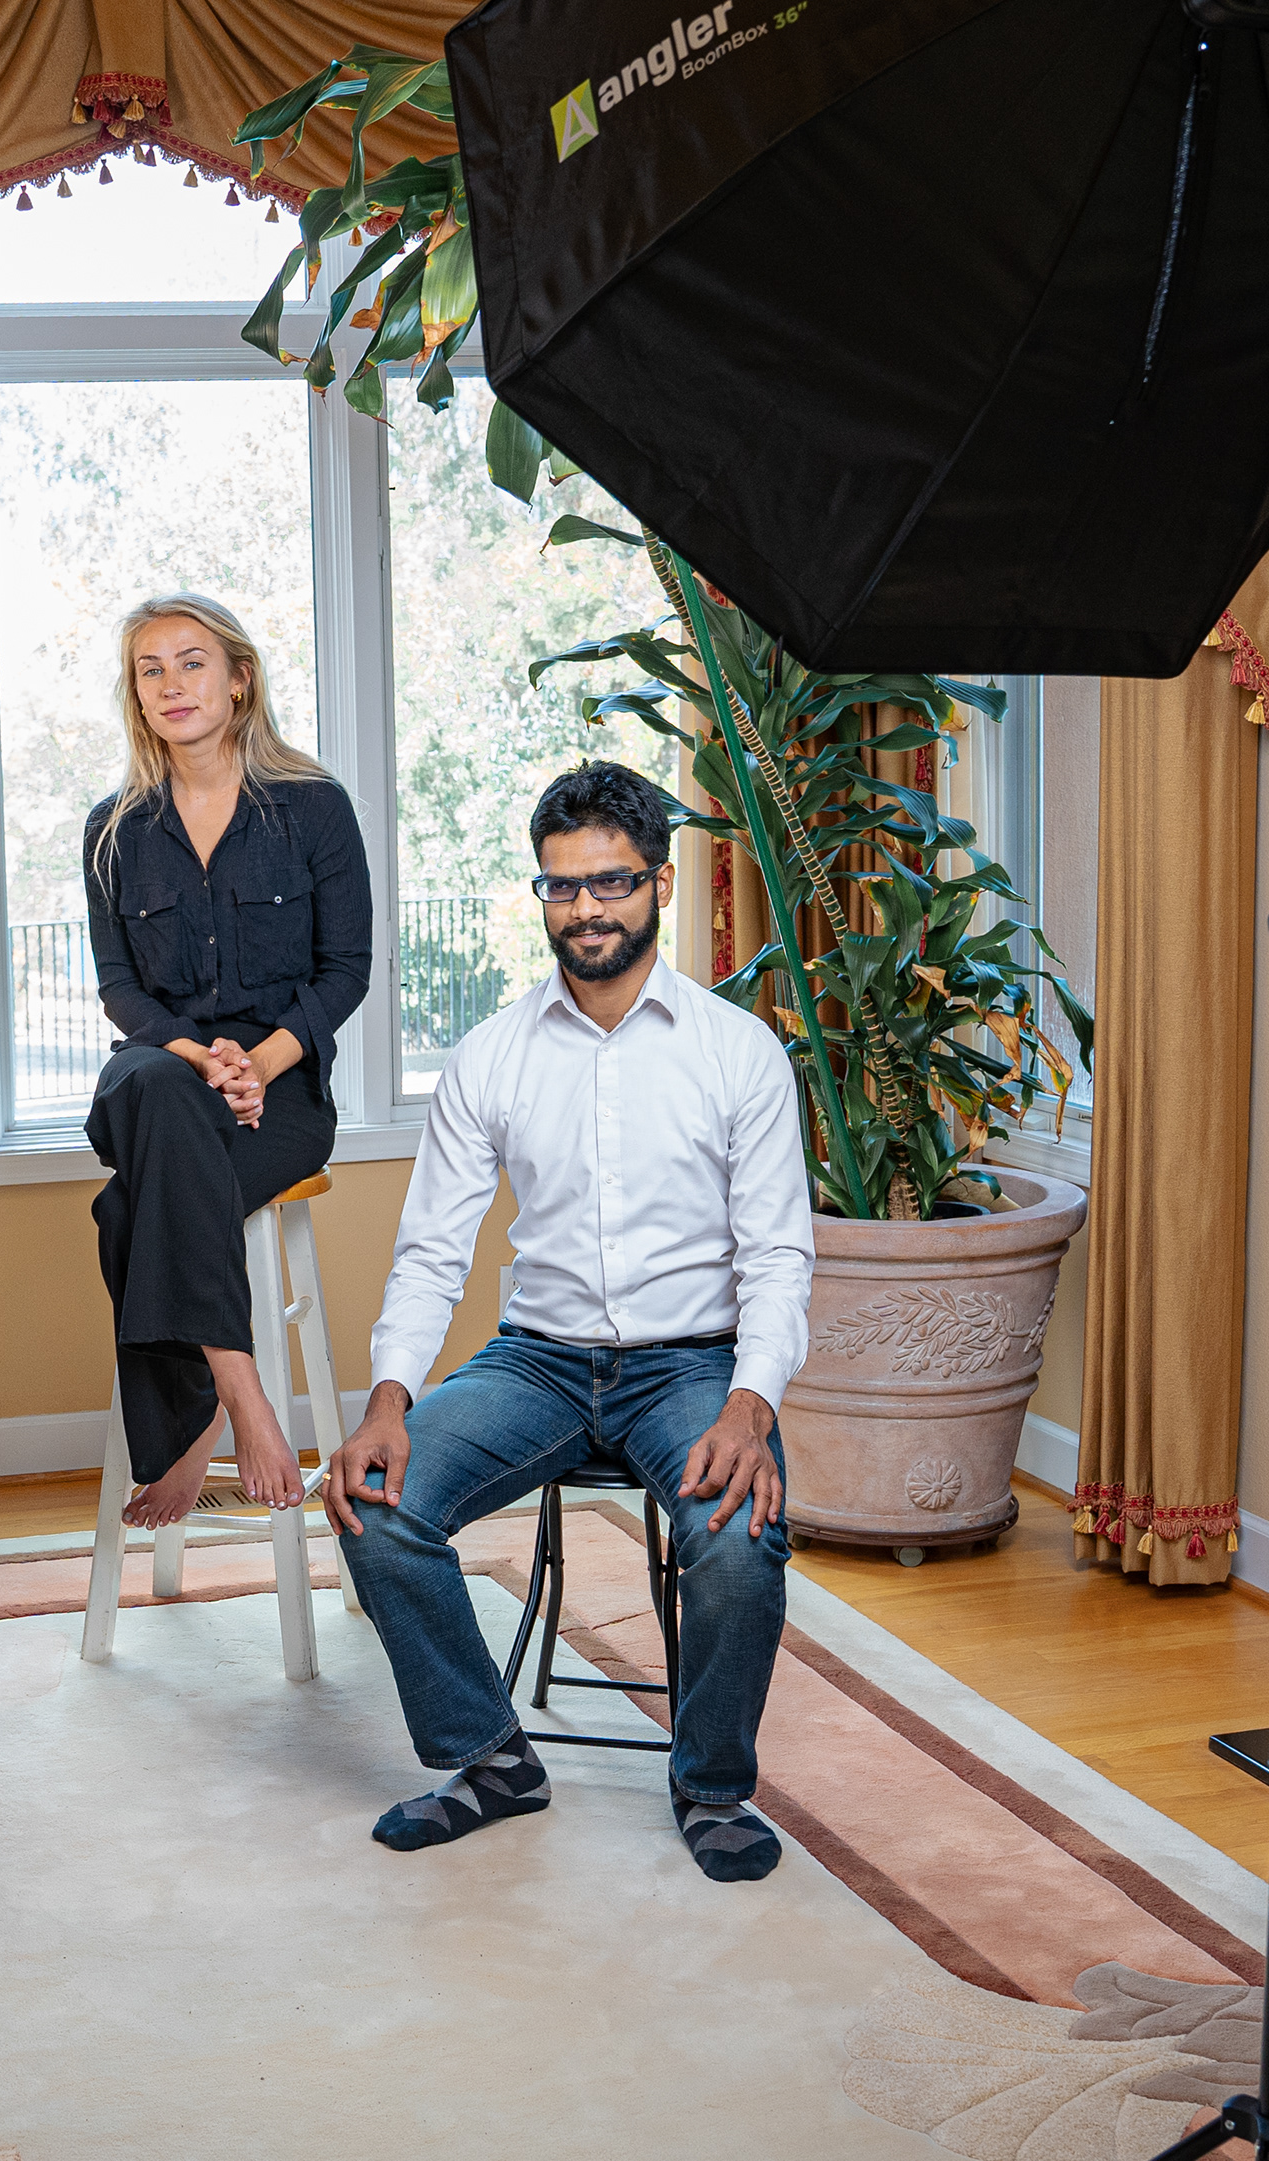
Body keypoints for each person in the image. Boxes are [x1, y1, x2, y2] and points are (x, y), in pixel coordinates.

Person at [326, 761, 813, 1878]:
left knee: (737, 1543)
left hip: (694, 1366)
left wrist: (750, 1405)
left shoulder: (736, 1051)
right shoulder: (491, 1055)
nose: (586, 907)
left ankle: (712, 1786)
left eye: (612, 882)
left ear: (661, 885)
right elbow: (432, 1250)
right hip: (536, 1364)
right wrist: (389, 1400)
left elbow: (778, 1255)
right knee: (372, 1502)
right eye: (562, 885)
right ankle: (490, 1757)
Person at [80, 593, 371, 1528]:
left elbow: (346, 969)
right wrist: (201, 1059)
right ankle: (243, 1396)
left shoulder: (314, 809)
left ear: (239, 678)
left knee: (130, 1207)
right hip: (160, 1075)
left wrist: (261, 1064)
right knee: (159, 1086)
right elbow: (119, 988)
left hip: (279, 1096)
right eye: (151, 669)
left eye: (192, 661)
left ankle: (189, 1420)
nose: (172, 683)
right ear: (135, 694)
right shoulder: (113, 828)